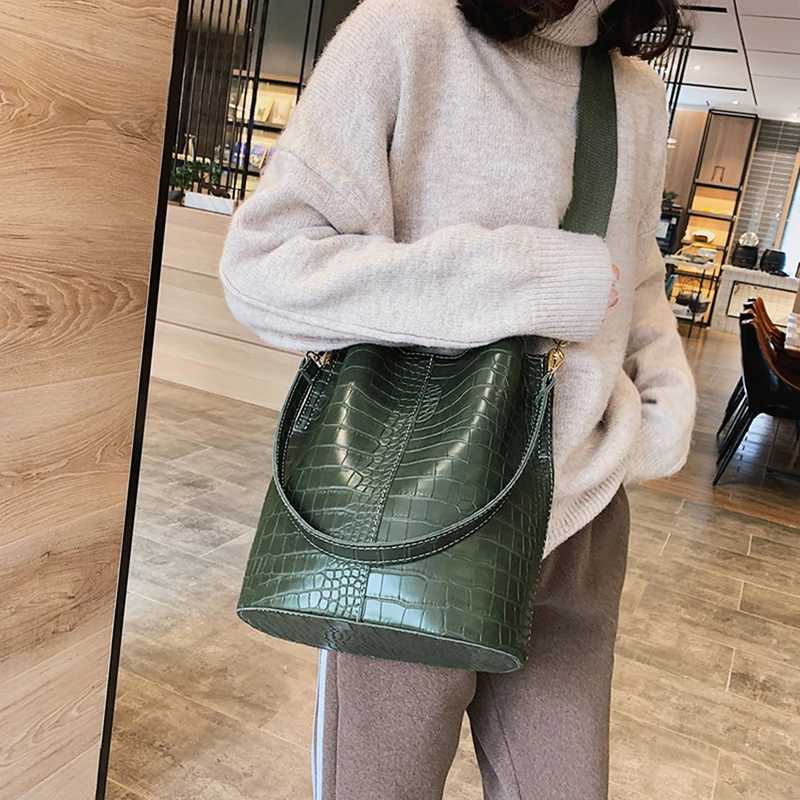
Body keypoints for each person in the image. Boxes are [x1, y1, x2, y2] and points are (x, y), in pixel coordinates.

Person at [219, 0, 696, 797]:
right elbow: (265, 266)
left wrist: (664, 412)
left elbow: (637, 279)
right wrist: (530, 277)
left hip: (580, 519)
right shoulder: (405, 33)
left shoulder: (635, 93)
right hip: (414, 515)